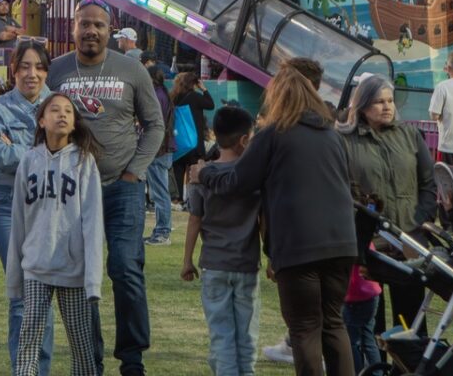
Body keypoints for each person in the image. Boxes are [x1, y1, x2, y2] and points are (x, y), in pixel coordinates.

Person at [193, 68, 358, 376]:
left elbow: (238, 181)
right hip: (342, 243)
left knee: (305, 327)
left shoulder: (272, 135)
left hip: (298, 246)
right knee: (334, 324)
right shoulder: (332, 135)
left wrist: (204, 173)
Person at [49, 0, 163, 376]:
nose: (91, 31)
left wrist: (135, 172)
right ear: (73, 26)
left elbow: (155, 125)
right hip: (74, 191)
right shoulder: (57, 71)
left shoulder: (132, 70)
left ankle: (132, 360)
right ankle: (89, 359)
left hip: (121, 189)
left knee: (125, 268)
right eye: (85, 24)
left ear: (109, 29)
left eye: (99, 25)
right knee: (84, 277)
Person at [338, 74, 436, 369]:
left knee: (410, 324)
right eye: (379, 101)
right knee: (371, 327)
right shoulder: (344, 140)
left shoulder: (410, 136)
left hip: (409, 242)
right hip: (369, 246)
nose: (386, 107)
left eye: (390, 101)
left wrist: (419, 220)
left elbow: (429, 184)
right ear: (363, 105)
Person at [7, 90, 106, 376]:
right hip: (36, 267)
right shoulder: (29, 160)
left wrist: (92, 280)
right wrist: (15, 279)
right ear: (40, 121)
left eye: (68, 111)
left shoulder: (83, 162)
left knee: (81, 346)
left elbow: (92, 222)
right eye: (54, 110)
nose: (61, 114)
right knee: (29, 342)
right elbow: (18, 220)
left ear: (75, 122)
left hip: (72, 269)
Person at [0, 41, 60, 373]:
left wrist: (17, 147)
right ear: (13, 69)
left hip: (52, 205)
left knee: (42, 295)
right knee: (22, 295)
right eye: (25, 67)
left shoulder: (60, 107)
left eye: (39, 67)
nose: (32, 74)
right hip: (7, 204)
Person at [183, 104, 264, 376]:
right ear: (244, 140)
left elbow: (195, 220)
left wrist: (187, 261)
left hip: (214, 264)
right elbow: (263, 221)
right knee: (246, 336)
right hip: (246, 264)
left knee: (222, 337)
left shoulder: (199, 175)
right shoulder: (253, 177)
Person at [170, 69, 216, 196]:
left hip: (178, 141)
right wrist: (204, 89)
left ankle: (177, 198)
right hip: (194, 141)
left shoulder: (173, 97)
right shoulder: (195, 97)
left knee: (178, 169)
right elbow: (210, 105)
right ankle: (192, 198)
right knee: (194, 171)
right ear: (193, 84)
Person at [145, 66, 175, 247]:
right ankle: (161, 230)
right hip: (164, 147)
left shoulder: (156, 96)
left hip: (158, 149)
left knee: (160, 193)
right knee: (160, 191)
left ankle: (163, 231)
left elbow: (154, 123)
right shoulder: (163, 94)